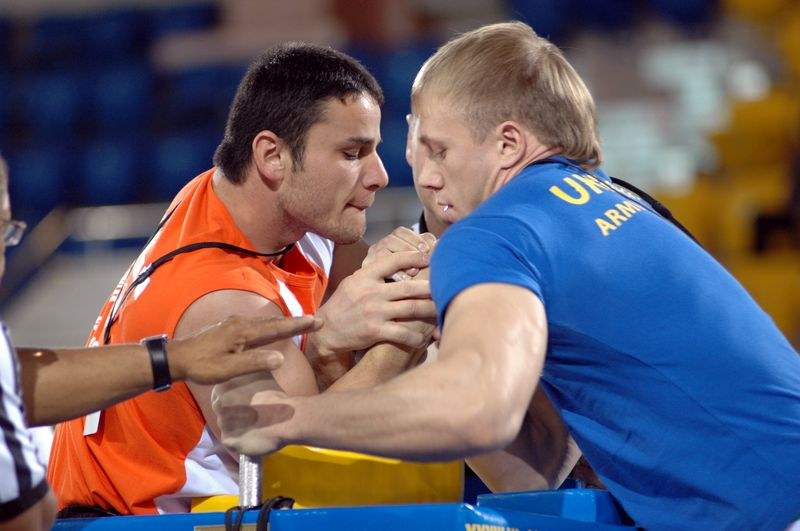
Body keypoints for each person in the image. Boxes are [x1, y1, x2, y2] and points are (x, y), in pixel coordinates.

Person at [213, 22, 800, 530]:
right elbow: (544, 459)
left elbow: (479, 406)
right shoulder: (618, 202)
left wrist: (286, 416)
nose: (427, 178)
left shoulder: (495, 230)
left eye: (439, 151)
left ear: (509, 145)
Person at [47, 43, 436, 516]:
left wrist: (383, 291)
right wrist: (402, 334)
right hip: (126, 524)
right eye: (352, 153)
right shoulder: (224, 305)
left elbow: (353, 292)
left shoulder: (240, 198)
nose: (379, 174)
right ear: (271, 156)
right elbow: (310, 462)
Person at [0, 155, 322, 531]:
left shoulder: (198, 208)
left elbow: (18, 378)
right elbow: (25, 518)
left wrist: (173, 359)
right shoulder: (220, 289)